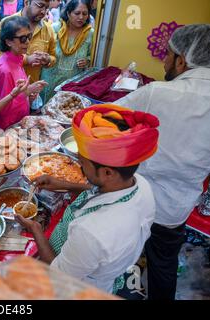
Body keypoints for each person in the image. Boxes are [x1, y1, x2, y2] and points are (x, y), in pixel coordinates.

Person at [16, 104, 159, 294]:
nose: (79, 165)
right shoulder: (140, 185)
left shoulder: (91, 233)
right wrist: (63, 183)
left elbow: (57, 273)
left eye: (82, 163)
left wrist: (35, 229)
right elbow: (98, 190)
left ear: (107, 172)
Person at [114, 24, 210, 300]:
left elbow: (102, 119)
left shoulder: (156, 93)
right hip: (177, 207)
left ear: (182, 60)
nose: (163, 60)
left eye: (167, 54)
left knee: (123, 257)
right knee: (163, 265)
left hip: (136, 199)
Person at [0, 16, 47, 129]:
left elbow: (18, 94)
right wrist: (29, 90)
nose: (27, 42)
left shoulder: (18, 58)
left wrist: (29, 97)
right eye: (22, 38)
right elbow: (4, 107)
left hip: (20, 121)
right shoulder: (5, 69)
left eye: (29, 36)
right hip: (8, 126)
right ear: (8, 42)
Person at [0, 0, 56, 84]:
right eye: (40, 5)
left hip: (32, 89)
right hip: (9, 90)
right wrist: (27, 59)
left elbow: (53, 57)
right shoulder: (6, 24)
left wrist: (47, 60)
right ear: (26, 2)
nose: (43, 12)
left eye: (46, 8)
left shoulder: (48, 29)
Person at [40, 0, 93, 102]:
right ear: (68, 13)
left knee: (65, 109)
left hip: (72, 84)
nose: (81, 17)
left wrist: (87, 60)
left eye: (85, 14)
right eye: (77, 13)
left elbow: (91, 56)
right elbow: (44, 51)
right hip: (49, 80)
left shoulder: (90, 34)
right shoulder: (55, 29)